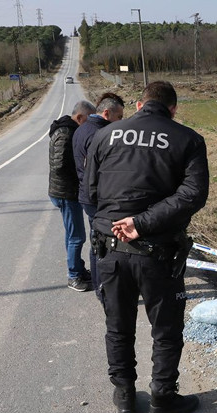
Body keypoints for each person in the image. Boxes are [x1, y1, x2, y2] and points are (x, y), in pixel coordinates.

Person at [85, 81, 209, 413]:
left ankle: (125, 394)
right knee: (166, 330)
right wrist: (143, 222)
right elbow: (193, 195)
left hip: (110, 249)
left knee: (117, 325)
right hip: (158, 253)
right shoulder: (188, 139)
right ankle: (162, 399)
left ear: (140, 105)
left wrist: (125, 220)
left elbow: (92, 191)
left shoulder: (105, 135)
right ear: (173, 109)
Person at [73, 92, 125, 301]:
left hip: (87, 195)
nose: (121, 121)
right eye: (119, 117)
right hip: (98, 198)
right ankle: (103, 288)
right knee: (102, 244)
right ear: (106, 113)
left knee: (97, 240)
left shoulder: (83, 128)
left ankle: (100, 285)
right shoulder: (100, 134)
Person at [48, 100, 96, 292]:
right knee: (76, 237)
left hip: (66, 192)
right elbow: (60, 165)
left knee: (72, 235)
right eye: (88, 119)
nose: (89, 124)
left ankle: (78, 269)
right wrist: (81, 171)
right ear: (79, 117)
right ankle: (74, 276)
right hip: (66, 193)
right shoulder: (66, 134)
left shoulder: (67, 129)